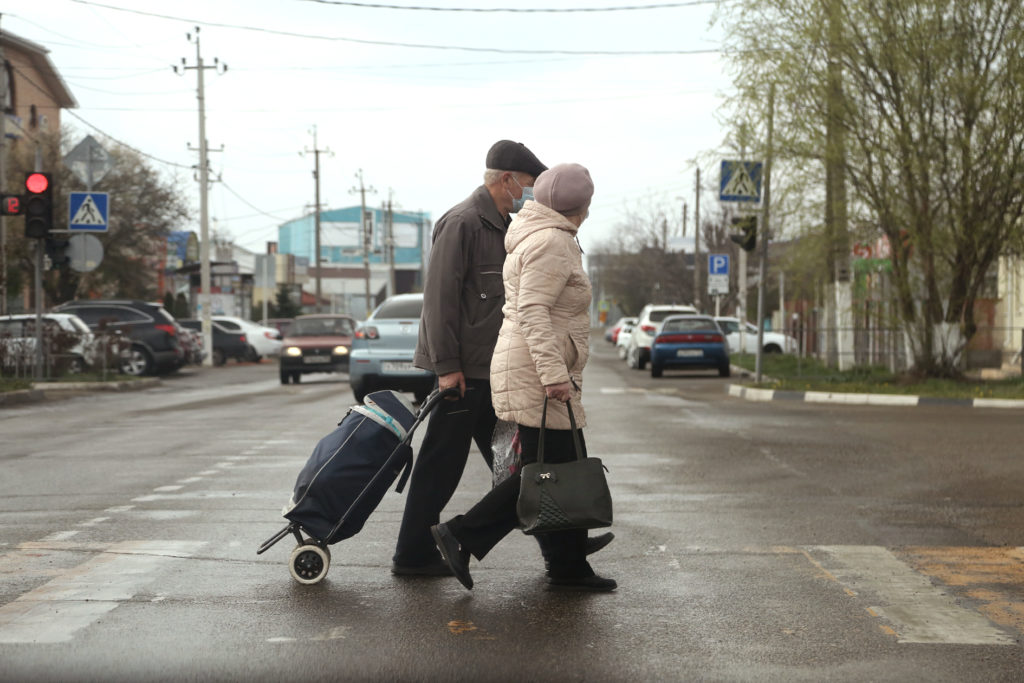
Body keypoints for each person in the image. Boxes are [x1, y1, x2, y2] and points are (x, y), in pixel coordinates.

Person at [430, 162, 617, 592]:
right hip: (538, 371)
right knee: (542, 474)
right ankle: (461, 534)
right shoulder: (552, 242)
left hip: (534, 365)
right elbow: (533, 310)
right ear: (581, 205)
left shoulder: (544, 235)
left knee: (559, 465)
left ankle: (568, 562)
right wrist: (554, 374)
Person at [390, 140, 549, 575]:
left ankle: (562, 549)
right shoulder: (462, 223)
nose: (531, 193)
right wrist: (446, 369)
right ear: (506, 179)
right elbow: (439, 303)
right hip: (463, 374)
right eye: (530, 184)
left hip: (494, 373)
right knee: (440, 466)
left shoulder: (504, 226)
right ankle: (412, 555)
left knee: (517, 466)